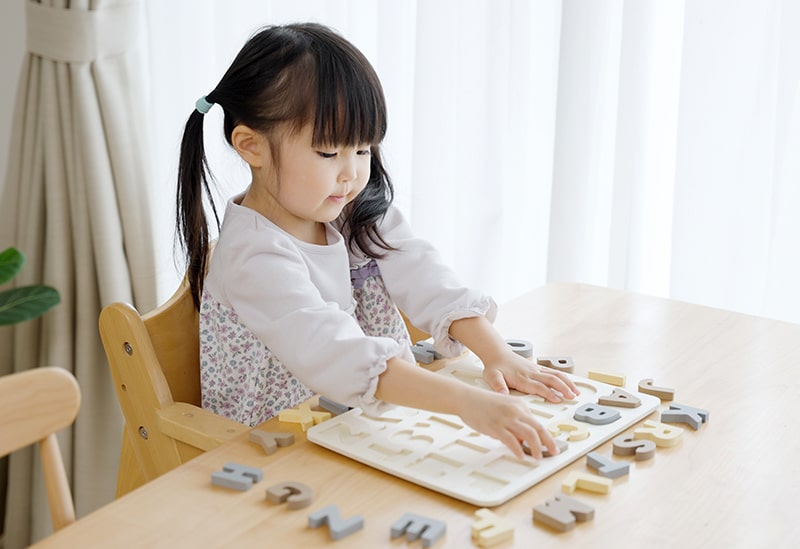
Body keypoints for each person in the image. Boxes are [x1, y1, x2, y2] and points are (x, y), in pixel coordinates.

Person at [176, 22, 579, 460]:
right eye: (329, 153)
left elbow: (425, 275)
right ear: (251, 147)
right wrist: (465, 402)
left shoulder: (349, 209)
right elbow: (332, 350)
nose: (351, 173)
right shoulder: (251, 256)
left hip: (361, 426)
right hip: (277, 451)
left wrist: (497, 354)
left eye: (364, 149)